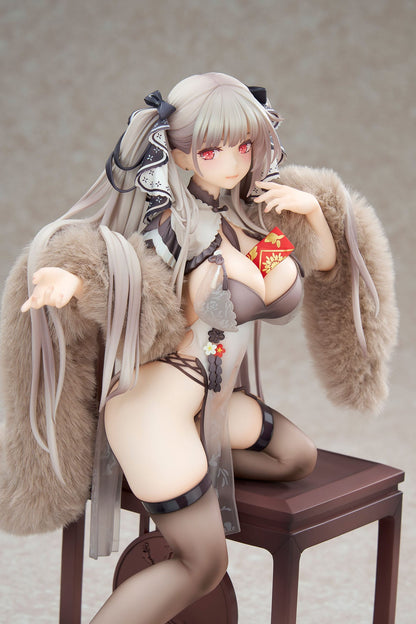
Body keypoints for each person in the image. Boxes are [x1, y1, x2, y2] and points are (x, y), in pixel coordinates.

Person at [0, 73, 397, 623]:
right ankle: (157, 469)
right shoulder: (171, 230)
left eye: (243, 146)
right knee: (203, 565)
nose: (232, 162)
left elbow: (320, 266)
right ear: (182, 154)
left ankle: (180, 473)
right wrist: (74, 283)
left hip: (209, 403)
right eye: (212, 150)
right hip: (156, 410)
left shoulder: (249, 223)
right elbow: (129, 285)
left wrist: (310, 212)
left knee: (296, 457)